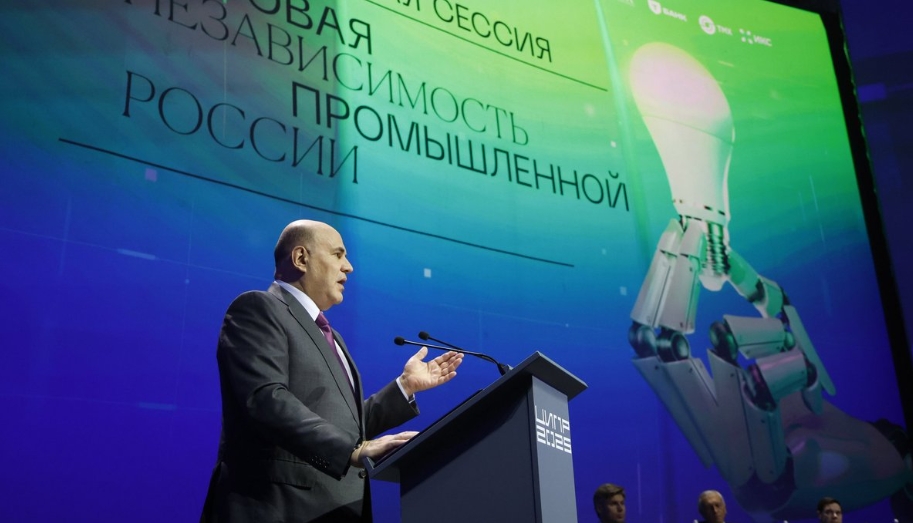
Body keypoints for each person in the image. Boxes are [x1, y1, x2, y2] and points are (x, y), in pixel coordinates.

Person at [200, 219, 464, 522]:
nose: (348, 267)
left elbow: (348, 429)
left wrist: (405, 387)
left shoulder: (331, 336)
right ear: (301, 258)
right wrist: (352, 451)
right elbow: (265, 400)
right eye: (338, 254)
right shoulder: (258, 308)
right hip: (277, 509)